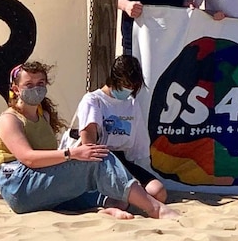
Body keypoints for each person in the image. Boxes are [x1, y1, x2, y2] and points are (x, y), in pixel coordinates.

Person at [0, 62, 178, 219]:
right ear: (16, 89)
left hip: (36, 182)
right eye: (29, 85)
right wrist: (72, 154)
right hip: (18, 184)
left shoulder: (43, 116)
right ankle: (155, 209)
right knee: (98, 157)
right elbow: (28, 158)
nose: (36, 88)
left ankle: (104, 208)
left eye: (40, 83)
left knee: (115, 198)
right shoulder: (9, 119)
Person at [67, 55, 167, 204]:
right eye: (125, 84)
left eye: (132, 86)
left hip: (120, 158)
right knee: (121, 200)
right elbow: (89, 145)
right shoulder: (93, 100)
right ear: (114, 79)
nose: (128, 89)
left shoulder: (131, 103)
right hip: (98, 157)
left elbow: (137, 146)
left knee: (158, 192)